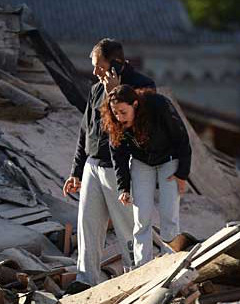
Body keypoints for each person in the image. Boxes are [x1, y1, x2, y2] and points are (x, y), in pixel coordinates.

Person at [63, 38, 155, 287]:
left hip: (121, 170)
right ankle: (85, 280)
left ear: (115, 64)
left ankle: (136, 279)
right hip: (93, 167)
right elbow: (86, 132)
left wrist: (117, 91)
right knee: (88, 226)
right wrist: (76, 171)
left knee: (128, 229)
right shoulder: (95, 90)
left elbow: (139, 130)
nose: (94, 72)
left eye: (99, 66)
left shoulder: (143, 87)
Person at [100, 84, 191, 267]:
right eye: (115, 113)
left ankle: (171, 261)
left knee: (169, 213)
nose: (119, 117)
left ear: (135, 104)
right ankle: (142, 266)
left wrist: (182, 173)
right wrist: (123, 187)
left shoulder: (158, 105)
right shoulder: (117, 124)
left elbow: (181, 137)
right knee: (141, 217)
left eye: (123, 112)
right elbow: (118, 157)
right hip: (142, 162)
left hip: (169, 159)